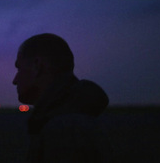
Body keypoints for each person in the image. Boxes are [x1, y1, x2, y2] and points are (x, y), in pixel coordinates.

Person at [13, 33, 113, 162]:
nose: (14, 80)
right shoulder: (74, 122)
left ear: (37, 66)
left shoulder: (65, 131)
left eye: (19, 68)